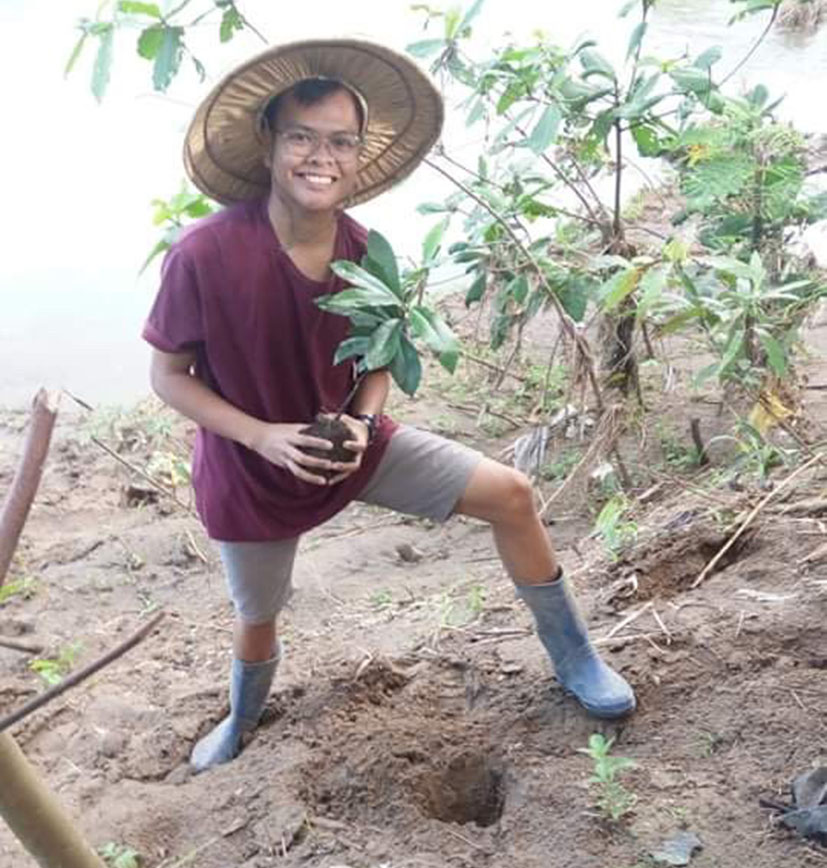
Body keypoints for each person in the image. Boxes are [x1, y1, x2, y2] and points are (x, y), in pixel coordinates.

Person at [143, 39, 636, 774]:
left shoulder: (366, 247)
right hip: (249, 471)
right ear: (268, 143)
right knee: (257, 614)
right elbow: (167, 377)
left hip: (349, 443)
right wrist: (264, 438)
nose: (322, 157)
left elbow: (376, 357)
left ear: (359, 153)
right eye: (302, 137)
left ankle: (575, 660)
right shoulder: (205, 252)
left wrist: (363, 420)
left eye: (341, 142)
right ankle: (242, 718)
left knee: (511, 493)